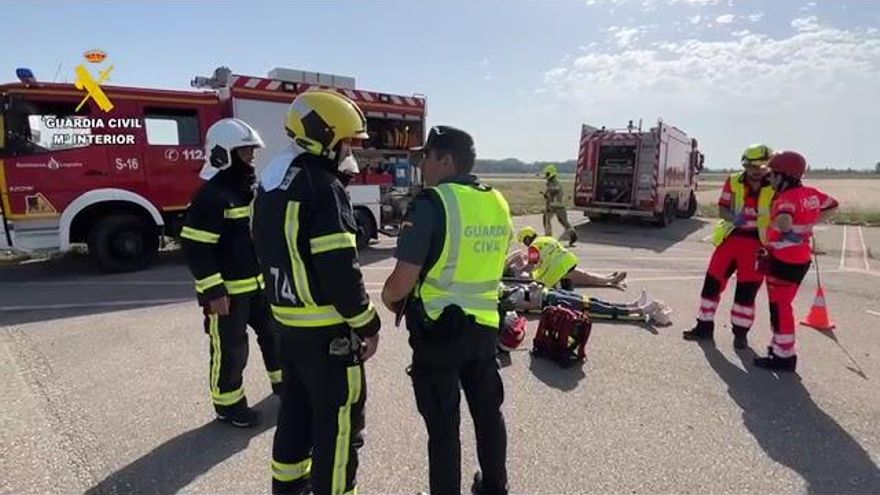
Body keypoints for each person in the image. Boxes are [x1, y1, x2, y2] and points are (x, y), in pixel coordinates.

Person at [251, 90, 381, 495]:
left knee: (295, 416)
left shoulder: (272, 183)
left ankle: (289, 489)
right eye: (347, 142)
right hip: (329, 335)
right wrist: (368, 322)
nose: (349, 151)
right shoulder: (323, 187)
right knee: (339, 432)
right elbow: (340, 271)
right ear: (326, 137)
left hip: (289, 328)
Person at [381, 125, 510, 495]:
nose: (422, 165)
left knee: (443, 429)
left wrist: (391, 301)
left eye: (427, 157)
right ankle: (495, 487)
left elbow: (400, 284)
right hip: (485, 328)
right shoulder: (497, 201)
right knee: (488, 415)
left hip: (438, 333)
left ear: (446, 160)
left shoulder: (432, 204)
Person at [179, 117, 282, 428]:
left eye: (252, 152)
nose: (251, 158)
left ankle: (284, 385)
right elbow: (195, 247)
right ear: (224, 154)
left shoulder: (246, 189)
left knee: (274, 337)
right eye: (245, 152)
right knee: (231, 350)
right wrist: (214, 292)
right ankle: (228, 405)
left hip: (257, 287)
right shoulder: (211, 196)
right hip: (227, 293)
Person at [682, 144, 776, 349]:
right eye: (751, 166)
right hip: (730, 240)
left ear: (768, 166)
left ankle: (740, 334)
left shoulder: (775, 185)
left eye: (760, 167)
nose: (755, 171)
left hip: (758, 246)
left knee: (746, 292)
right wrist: (734, 217)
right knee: (711, 285)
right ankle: (704, 327)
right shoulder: (733, 181)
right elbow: (723, 209)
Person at [754, 151, 838, 372]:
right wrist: (809, 225)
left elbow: (783, 220)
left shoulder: (787, 198)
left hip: (783, 259)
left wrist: (787, 229)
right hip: (801, 258)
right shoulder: (811, 193)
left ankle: (784, 356)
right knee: (784, 305)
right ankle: (779, 347)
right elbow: (832, 205)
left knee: (780, 308)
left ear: (784, 176)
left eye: (772, 174)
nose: (769, 178)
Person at [514, 226, 627, 290]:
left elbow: (531, 265)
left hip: (557, 270)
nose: (525, 244)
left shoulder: (533, 247)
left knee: (587, 279)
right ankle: (608, 278)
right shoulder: (546, 239)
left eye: (524, 241)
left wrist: (519, 270)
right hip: (567, 261)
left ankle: (611, 280)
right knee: (586, 276)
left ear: (528, 238)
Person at [542, 164, 577, 246]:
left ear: (551, 173)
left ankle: (548, 238)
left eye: (547, 174)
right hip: (558, 206)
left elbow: (555, 190)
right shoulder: (551, 182)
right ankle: (572, 234)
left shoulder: (553, 182)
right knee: (563, 222)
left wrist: (549, 191)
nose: (546, 176)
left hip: (554, 206)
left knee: (547, 221)